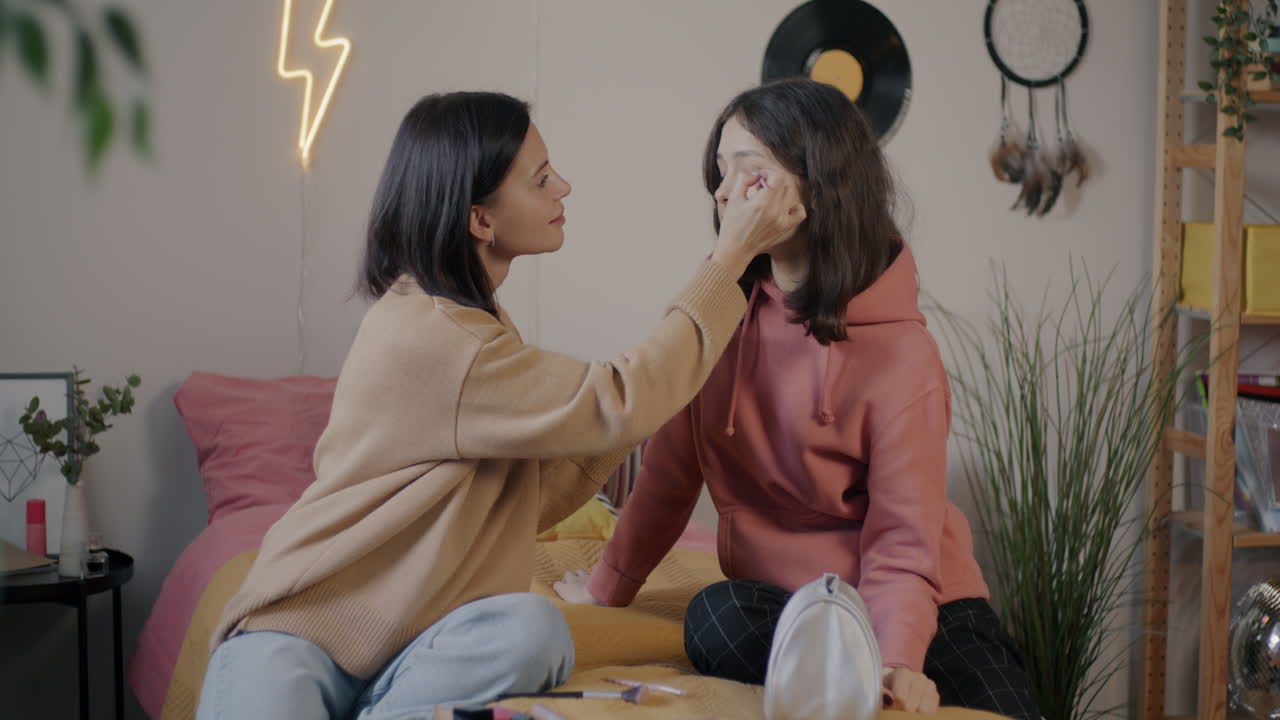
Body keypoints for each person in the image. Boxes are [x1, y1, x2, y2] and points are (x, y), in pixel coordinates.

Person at [194, 90, 805, 720]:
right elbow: (618, 398)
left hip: (411, 644)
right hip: (304, 634)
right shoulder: (436, 338)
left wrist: (669, 385)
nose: (564, 187)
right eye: (541, 180)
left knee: (532, 628)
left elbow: (533, 492)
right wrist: (730, 261)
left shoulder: (474, 324)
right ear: (480, 220)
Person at [554, 78, 1039, 720]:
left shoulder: (902, 353)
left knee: (1011, 707)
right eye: (719, 174)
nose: (724, 192)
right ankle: (848, 672)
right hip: (794, 605)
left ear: (814, 184)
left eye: (747, 173)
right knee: (715, 620)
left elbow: (902, 539)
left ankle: (878, 672)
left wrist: (897, 660)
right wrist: (606, 589)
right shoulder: (719, 315)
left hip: (926, 604)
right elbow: (669, 476)